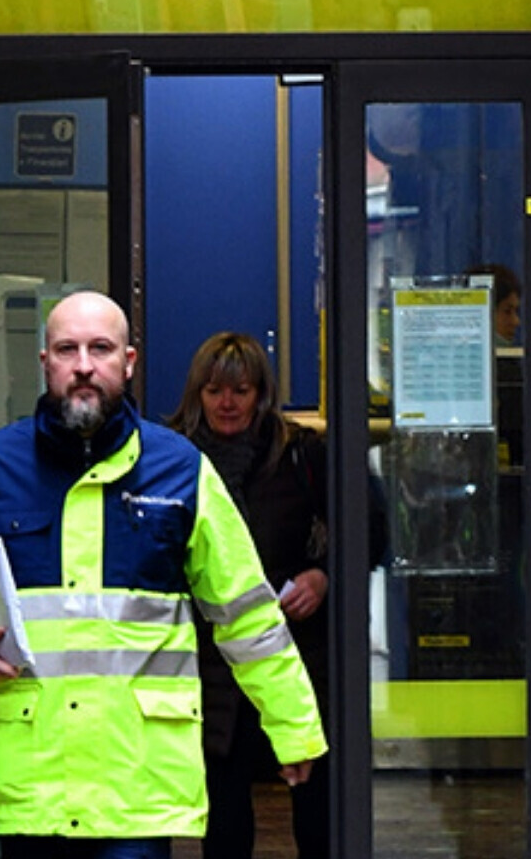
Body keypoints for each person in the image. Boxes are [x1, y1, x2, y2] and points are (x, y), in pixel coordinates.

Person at [0, 292, 326, 859]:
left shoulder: (181, 471)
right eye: (67, 349)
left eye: (100, 349)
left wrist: (292, 726)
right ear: (44, 361)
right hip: (34, 783)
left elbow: (245, 612)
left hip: (136, 786)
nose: (83, 365)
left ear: (128, 361)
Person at [167, 333, 333, 859]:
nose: (227, 403)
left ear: (261, 393)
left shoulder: (300, 452)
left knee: (315, 800)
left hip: (295, 648)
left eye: (240, 391)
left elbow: (366, 528)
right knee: (224, 805)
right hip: (207, 661)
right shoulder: (169, 458)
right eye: (214, 391)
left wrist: (321, 576)